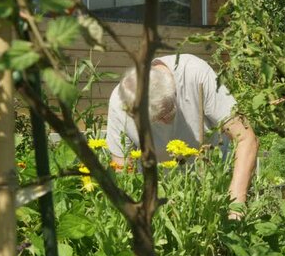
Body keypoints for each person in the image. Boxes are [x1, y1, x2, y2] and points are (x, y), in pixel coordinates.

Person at [106, 54, 259, 219]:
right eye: (156, 119)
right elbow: (122, 169)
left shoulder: (195, 74)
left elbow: (246, 138)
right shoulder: (119, 103)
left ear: (173, 87)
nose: (164, 122)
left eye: (167, 111)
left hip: (212, 190)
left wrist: (234, 209)